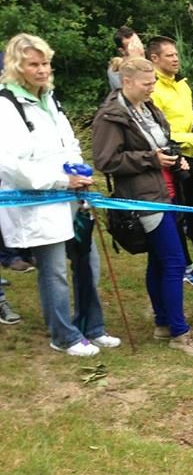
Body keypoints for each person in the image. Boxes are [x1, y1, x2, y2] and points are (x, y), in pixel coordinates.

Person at [0, 33, 120, 356]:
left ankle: (92, 327)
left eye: (46, 63)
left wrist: (79, 173)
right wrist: (60, 180)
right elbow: (11, 165)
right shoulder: (6, 106)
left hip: (70, 196)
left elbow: (69, 142)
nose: (42, 70)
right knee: (53, 271)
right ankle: (63, 335)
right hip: (38, 201)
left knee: (88, 263)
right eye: (33, 64)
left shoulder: (51, 99)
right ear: (17, 66)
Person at [92, 56, 193, 357]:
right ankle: (180, 333)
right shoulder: (110, 116)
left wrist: (174, 157)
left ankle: (163, 323)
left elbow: (160, 141)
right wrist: (150, 160)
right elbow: (106, 161)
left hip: (169, 191)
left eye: (154, 83)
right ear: (127, 82)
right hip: (143, 198)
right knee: (173, 261)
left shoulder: (148, 106)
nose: (152, 89)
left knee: (159, 261)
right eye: (147, 84)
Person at [147, 35, 193, 289]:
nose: (176, 59)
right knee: (179, 212)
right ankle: (186, 266)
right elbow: (157, 129)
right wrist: (189, 137)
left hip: (192, 154)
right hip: (172, 157)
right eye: (169, 55)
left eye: (176, 54)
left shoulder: (182, 85)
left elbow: (189, 116)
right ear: (154, 58)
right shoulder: (153, 89)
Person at [106, 26, 144, 91]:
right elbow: (132, 92)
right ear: (122, 51)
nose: (138, 47)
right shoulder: (115, 71)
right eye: (132, 45)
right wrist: (137, 61)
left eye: (138, 43)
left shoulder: (152, 58)